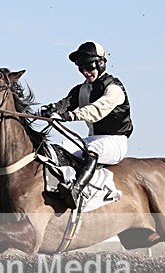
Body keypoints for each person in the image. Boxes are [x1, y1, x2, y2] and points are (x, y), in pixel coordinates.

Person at [41, 41, 133, 205]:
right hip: (94, 137)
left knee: (92, 149)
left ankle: (77, 191)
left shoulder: (114, 88)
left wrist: (70, 116)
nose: (85, 72)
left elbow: (96, 110)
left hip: (115, 142)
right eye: (81, 68)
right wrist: (51, 109)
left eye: (89, 67)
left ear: (101, 63)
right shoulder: (81, 89)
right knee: (60, 148)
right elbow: (66, 103)